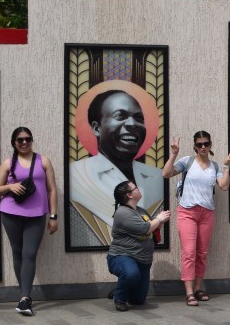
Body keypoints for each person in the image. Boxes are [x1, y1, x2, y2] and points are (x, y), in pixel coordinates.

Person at [69, 88, 164, 245]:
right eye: (120, 116)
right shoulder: (76, 175)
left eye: (139, 118)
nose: (132, 124)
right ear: (96, 128)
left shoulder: (157, 175)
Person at [161, 132, 230, 306]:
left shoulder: (214, 166)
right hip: (187, 212)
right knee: (189, 253)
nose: (203, 147)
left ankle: (198, 289)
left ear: (210, 145)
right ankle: (189, 292)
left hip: (206, 213)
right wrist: (173, 154)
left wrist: (226, 166)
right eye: (199, 144)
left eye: (206, 143)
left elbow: (224, 186)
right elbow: (166, 173)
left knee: (202, 253)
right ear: (195, 145)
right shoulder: (187, 162)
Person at [0, 127, 58, 317]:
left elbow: (52, 190)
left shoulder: (43, 161)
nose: (24, 142)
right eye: (20, 140)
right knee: (17, 252)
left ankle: (24, 297)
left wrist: (53, 216)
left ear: (32, 140)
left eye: (27, 139)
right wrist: (10, 186)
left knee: (29, 253)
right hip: (10, 213)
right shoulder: (7, 163)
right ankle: (25, 297)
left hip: (36, 214)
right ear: (14, 142)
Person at [106, 181, 170, 311]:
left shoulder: (141, 211)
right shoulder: (122, 213)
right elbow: (145, 229)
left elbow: (153, 226)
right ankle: (119, 299)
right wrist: (159, 219)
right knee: (131, 274)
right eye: (135, 187)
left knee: (138, 300)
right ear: (129, 195)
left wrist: (160, 221)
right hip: (122, 256)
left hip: (143, 260)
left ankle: (120, 289)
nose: (138, 188)